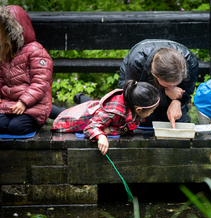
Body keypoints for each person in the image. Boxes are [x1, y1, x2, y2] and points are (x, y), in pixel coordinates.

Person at [73, 39, 198, 129]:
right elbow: (133, 93)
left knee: (181, 122)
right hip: (136, 88)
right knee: (142, 122)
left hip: (164, 93)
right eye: (168, 84)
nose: (172, 88)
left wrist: (177, 101)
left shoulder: (190, 63)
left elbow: (188, 90)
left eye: (176, 83)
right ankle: (87, 102)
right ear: (156, 75)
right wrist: (164, 91)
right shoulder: (138, 60)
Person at [51, 80, 160, 155]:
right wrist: (101, 136)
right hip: (75, 120)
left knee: (89, 105)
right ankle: (45, 108)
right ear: (139, 110)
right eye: (152, 110)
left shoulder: (129, 99)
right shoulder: (113, 112)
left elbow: (124, 127)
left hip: (95, 111)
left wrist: (111, 130)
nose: (152, 113)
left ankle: (80, 97)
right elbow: (90, 128)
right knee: (61, 113)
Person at [0, 6, 53, 135]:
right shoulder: (4, 53)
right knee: (2, 125)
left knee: (16, 128)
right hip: (10, 105)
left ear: (11, 31)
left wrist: (23, 102)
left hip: (33, 105)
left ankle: (38, 121)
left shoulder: (35, 50)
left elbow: (41, 82)